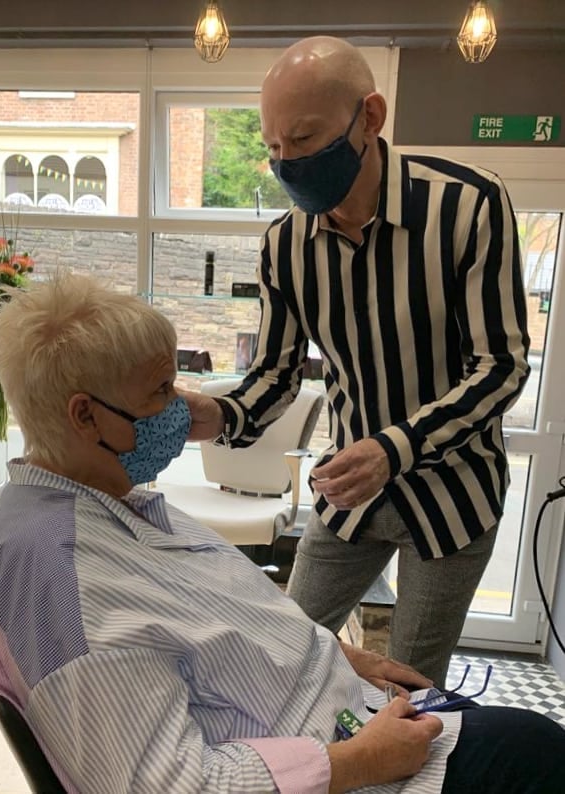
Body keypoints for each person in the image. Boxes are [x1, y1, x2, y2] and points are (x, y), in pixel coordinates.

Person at [0, 273, 563, 794]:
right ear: (85, 415)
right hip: (349, 765)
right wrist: (358, 761)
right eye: (160, 391)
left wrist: (344, 658)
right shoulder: (54, 576)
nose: (181, 407)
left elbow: (221, 625)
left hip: (350, 712)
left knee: (529, 743)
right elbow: (160, 785)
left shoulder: (111, 504)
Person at [185, 36, 531, 687]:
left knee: (408, 689)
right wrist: (216, 414)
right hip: (348, 498)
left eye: (305, 139)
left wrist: (392, 450)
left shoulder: (467, 206)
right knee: (290, 657)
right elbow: (276, 376)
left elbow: (500, 366)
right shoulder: (285, 247)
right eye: (273, 148)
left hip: (454, 498)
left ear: (369, 118)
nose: (287, 163)